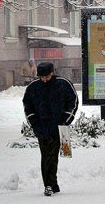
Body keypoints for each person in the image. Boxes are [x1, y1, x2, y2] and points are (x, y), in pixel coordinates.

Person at [22, 62, 79, 196]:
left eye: (46, 76)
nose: (44, 79)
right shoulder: (33, 87)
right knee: (46, 155)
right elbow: (27, 106)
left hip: (60, 126)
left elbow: (73, 102)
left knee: (53, 155)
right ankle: (49, 184)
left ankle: (52, 183)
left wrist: (66, 119)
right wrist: (35, 124)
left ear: (52, 72)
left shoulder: (63, 84)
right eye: (41, 77)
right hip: (41, 127)